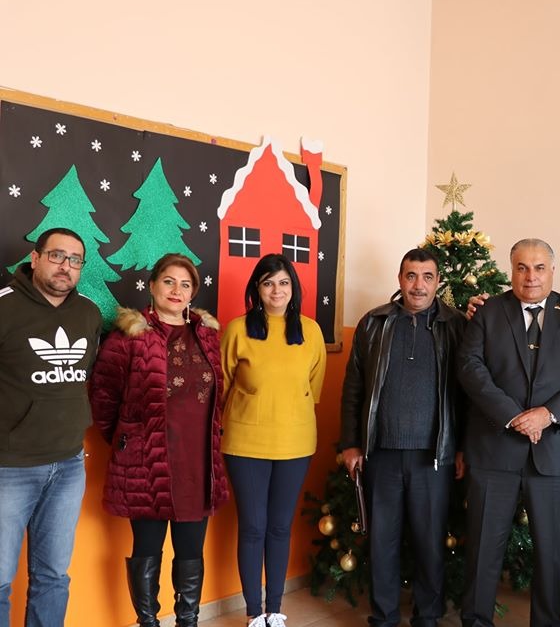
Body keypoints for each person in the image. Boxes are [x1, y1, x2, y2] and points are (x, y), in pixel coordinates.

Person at [458, 238, 560, 627]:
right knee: (483, 550)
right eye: (521, 267)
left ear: (552, 271)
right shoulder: (488, 312)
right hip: (494, 452)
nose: (530, 276)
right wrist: (512, 416)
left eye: (539, 268)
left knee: (553, 553)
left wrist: (547, 415)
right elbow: (470, 366)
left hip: (556, 454)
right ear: (511, 270)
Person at [90, 253, 227, 627]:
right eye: (169, 281)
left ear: (193, 293)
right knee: (147, 548)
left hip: (197, 461)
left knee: (191, 549)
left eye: (185, 284)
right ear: (152, 286)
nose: (176, 290)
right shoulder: (129, 337)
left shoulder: (207, 336)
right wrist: (130, 440)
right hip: (147, 462)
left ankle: (188, 621)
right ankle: (148, 622)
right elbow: (103, 397)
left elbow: (219, 396)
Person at [340, 248, 466, 627]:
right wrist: (350, 443)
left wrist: (462, 448)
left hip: (434, 457)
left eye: (427, 277)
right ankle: (384, 617)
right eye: (411, 276)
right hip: (382, 455)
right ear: (400, 279)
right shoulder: (374, 323)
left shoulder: (457, 326)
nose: (418, 285)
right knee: (383, 543)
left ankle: (427, 616)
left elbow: (467, 395)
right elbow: (353, 389)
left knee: (430, 543)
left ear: (438, 282)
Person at [0, 228, 102, 627]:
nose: (66, 266)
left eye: (75, 260)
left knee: (53, 577)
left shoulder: (88, 314)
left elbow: (82, 378)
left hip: (68, 467)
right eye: (57, 256)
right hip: (10, 468)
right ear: (35, 258)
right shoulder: (5, 307)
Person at [220, 254, 327, 627]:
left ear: (293, 288)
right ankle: (254, 612)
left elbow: (312, 388)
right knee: (253, 526)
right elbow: (222, 386)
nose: (276, 290)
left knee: (281, 527)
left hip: (295, 444)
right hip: (244, 444)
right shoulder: (237, 330)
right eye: (268, 283)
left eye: (283, 282)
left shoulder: (311, 332)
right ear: (256, 289)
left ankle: (275, 610)